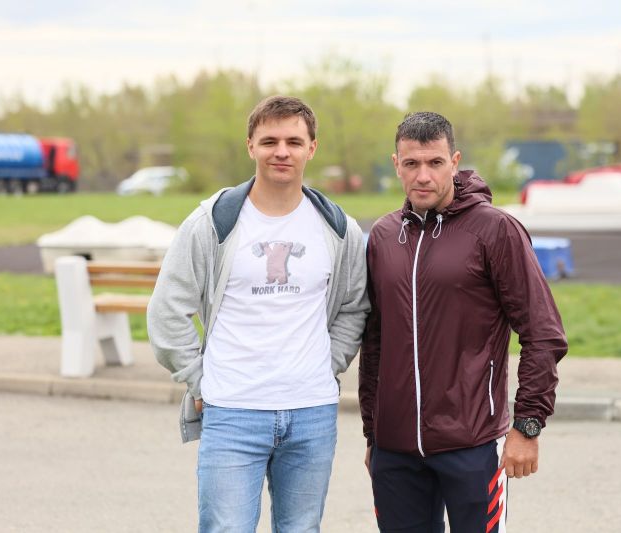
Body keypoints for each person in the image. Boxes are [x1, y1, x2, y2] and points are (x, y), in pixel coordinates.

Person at [148, 95, 369, 532]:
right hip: (232, 410)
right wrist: (200, 379)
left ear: (312, 148)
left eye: (293, 141)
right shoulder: (212, 222)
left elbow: (354, 305)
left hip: (311, 412)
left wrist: (326, 365)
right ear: (250, 145)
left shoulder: (339, 227)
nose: (281, 152)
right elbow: (167, 311)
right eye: (269, 141)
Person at [359, 111, 568, 532]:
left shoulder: (495, 230)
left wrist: (527, 426)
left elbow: (542, 333)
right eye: (411, 163)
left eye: (435, 162)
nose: (423, 176)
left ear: (454, 162)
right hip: (395, 448)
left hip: (472, 443)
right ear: (396, 164)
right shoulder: (383, 236)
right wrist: (373, 433)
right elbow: (376, 341)